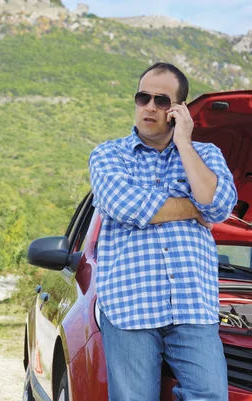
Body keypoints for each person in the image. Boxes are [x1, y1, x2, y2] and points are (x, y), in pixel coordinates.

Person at [88, 62, 238, 401]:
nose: (150, 107)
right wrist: (194, 208)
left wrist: (185, 144)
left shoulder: (205, 154)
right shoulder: (108, 155)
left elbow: (220, 206)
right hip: (130, 304)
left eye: (161, 100)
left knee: (212, 396)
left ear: (178, 111)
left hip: (192, 304)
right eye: (143, 98)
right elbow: (125, 205)